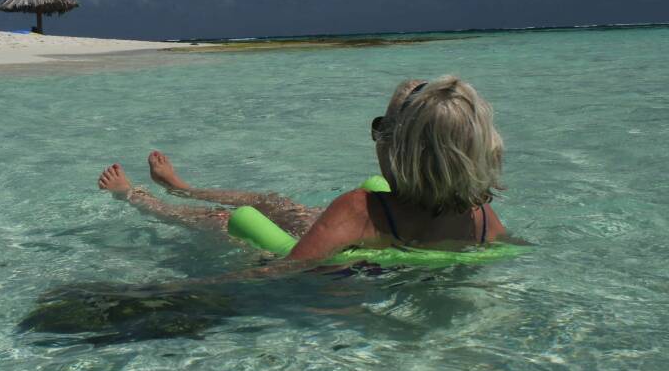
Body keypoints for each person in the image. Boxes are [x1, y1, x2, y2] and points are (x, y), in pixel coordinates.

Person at [97, 76, 507, 263]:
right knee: (274, 202)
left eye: (380, 128)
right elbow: (509, 249)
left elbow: (292, 270)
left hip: (343, 238)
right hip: (372, 237)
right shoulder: (482, 216)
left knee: (222, 218)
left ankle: (136, 196)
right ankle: (183, 186)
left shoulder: (359, 208)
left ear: (396, 150)